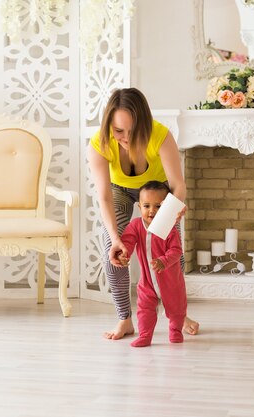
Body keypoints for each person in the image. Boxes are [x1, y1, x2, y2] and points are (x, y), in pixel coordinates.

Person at [87, 87, 199, 340]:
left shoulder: (160, 135)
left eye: (133, 130)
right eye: (118, 131)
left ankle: (177, 316)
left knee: (173, 257)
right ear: (109, 126)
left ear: (144, 123)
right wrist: (116, 238)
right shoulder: (98, 144)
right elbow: (104, 195)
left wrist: (167, 217)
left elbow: (178, 186)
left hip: (158, 196)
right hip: (118, 192)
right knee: (113, 253)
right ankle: (124, 319)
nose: (126, 138)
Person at [110, 181, 187, 347]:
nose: (152, 210)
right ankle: (145, 336)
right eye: (146, 206)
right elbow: (128, 242)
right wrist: (124, 254)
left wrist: (163, 261)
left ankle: (175, 330)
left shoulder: (169, 227)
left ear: (165, 208)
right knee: (144, 309)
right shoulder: (136, 225)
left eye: (158, 206)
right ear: (139, 208)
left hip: (171, 281)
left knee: (176, 309)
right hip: (147, 282)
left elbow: (176, 250)